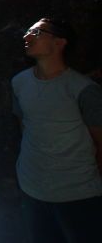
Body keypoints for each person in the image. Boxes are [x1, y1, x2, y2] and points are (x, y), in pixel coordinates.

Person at [12, 17, 102, 243]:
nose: (27, 36)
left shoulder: (82, 89)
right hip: (33, 190)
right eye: (27, 32)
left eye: (37, 32)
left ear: (60, 43)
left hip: (78, 194)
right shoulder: (19, 82)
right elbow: (24, 127)